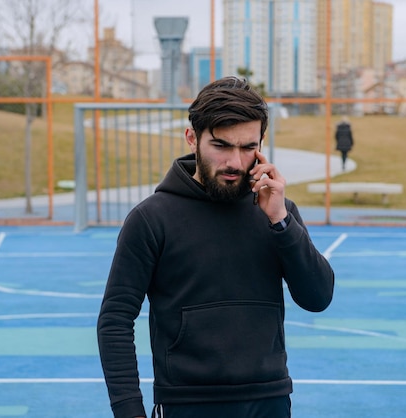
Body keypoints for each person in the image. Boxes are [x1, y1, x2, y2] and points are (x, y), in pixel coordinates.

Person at [97, 76, 335, 418]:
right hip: (186, 404)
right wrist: (129, 412)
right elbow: (115, 320)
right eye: (221, 145)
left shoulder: (277, 213)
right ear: (192, 137)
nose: (235, 162)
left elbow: (318, 298)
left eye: (247, 147)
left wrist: (281, 220)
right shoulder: (151, 218)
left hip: (270, 400)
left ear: (261, 143)